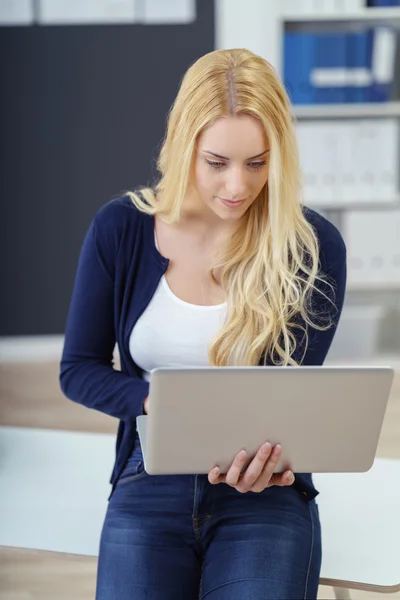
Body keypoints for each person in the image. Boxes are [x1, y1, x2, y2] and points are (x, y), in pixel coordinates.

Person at [59, 48, 346, 599]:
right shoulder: (121, 228)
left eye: (257, 163)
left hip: (265, 489)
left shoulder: (311, 248)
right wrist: (158, 404)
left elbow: (296, 397)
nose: (237, 186)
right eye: (217, 162)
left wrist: (276, 464)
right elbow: (79, 369)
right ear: (184, 145)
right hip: (149, 475)